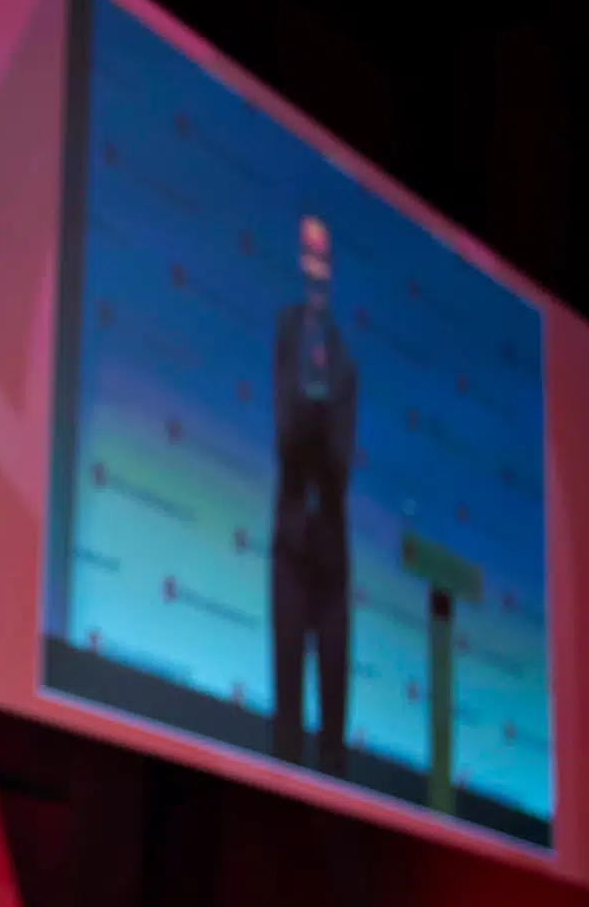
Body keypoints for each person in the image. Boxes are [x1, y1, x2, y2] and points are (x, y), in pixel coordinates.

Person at [270, 215, 356, 779]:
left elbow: (340, 458)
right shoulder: (287, 333)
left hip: (332, 548)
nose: (315, 270)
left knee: (331, 683)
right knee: (287, 695)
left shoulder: (344, 359)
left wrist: (322, 391)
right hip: (291, 537)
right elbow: (288, 431)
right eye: (308, 257)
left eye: (323, 260)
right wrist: (309, 391)